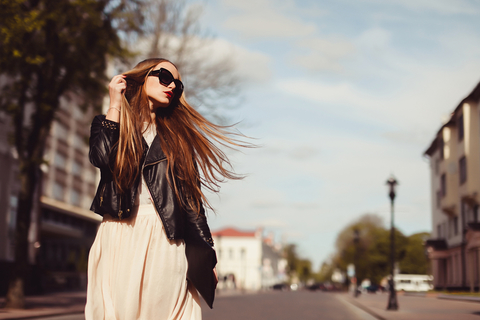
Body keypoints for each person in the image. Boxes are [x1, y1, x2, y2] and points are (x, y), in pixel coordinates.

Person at [85, 58, 244, 320]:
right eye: (164, 77)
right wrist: (114, 103)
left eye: (178, 85)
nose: (172, 87)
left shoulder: (178, 139)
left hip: (165, 239)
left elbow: (192, 203)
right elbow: (102, 159)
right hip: (120, 233)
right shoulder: (109, 124)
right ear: (142, 78)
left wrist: (207, 256)